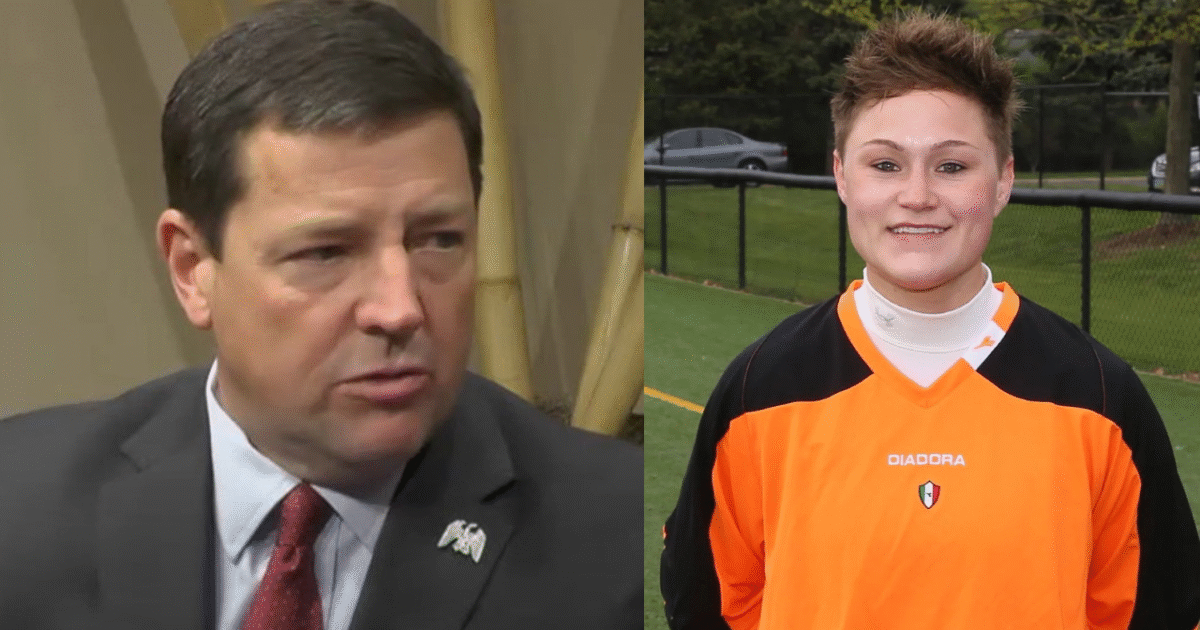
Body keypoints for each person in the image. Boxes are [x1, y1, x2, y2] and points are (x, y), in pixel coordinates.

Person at [0, 1, 641, 628]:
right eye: (326, 252)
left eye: (440, 239)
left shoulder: (623, 542)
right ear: (193, 269)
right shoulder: (19, 505)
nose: (401, 308)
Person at [660, 12, 1200, 630]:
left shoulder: (1097, 397)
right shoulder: (760, 387)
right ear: (841, 175)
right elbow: (710, 605)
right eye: (885, 165)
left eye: (951, 166)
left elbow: (1154, 611)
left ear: (1003, 180)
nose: (916, 195)